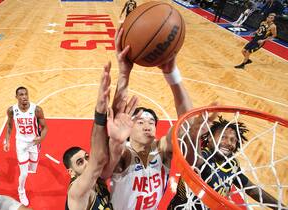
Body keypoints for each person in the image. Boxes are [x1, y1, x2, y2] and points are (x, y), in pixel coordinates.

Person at [99, 28, 193, 210]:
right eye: (140, 122)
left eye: (151, 122)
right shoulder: (123, 154)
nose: (147, 125)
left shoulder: (163, 150)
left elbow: (188, 122)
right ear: (129, 130)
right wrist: (124, 72)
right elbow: (104, 170)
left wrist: (172, 74)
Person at [63, 62, 142, 209]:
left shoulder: (98, 178)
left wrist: (124, 74)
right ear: (71, 172)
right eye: (80, 162)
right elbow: (98, 160)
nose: (87, 162)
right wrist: (100, 113)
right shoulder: (76, 193)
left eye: (87, 157)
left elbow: (116, 120)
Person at [168, 116, 286, 209]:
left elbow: (251, 189)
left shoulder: (232, 164)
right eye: (223, 137)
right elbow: (194, 154)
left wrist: (280, 207)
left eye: (233, 140)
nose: (228, 142)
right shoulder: (203, 158)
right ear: (209, 138)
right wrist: (195, 132)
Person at [3, 86, 48, 206]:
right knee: (24, 173)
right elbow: (9, 126)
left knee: (33, 168)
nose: (24, 97)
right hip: (21, 144)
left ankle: (28, 164)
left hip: (34, 142)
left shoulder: (37, 109)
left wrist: (41, 138)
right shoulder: (12, 110)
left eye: (26, 94)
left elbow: (45, 127)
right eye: (21, 95)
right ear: (16, 97)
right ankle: (21, 191)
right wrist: (7, 141)